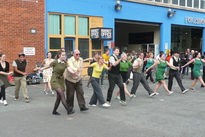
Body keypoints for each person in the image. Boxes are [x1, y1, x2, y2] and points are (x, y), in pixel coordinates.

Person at [40, 50, 75, 115]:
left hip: (61, 80)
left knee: (58, 98)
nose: (64, 56)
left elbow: (68, 68)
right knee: (61, 93)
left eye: (65, 55)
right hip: (55, 79)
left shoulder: (65, 63)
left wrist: (73, 72)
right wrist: (42, 69)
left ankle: (54, 111)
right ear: (59, 55)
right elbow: (49, 66)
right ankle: (68, 110)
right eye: (63, 55)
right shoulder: (55, 62)